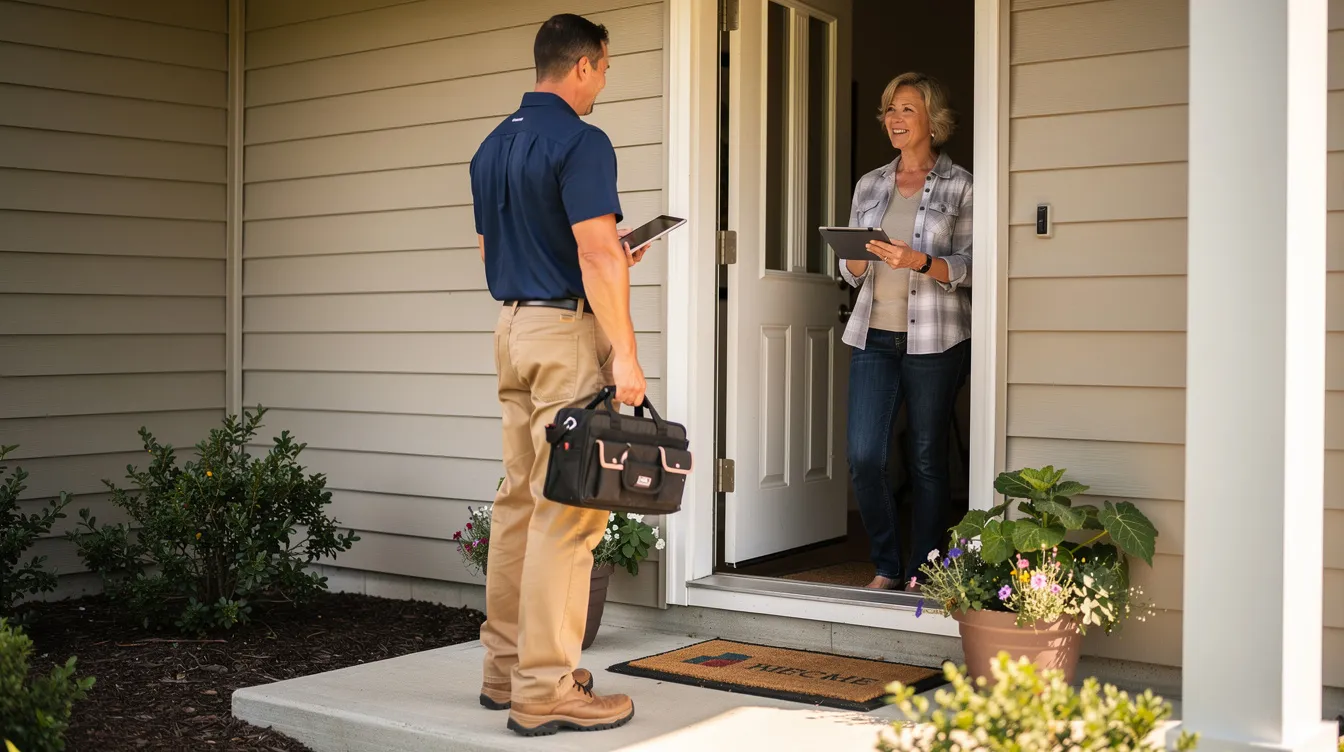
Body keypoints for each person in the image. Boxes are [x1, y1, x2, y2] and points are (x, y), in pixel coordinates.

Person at [469, 13, 649, 736]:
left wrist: (599, 255)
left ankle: (505, 669)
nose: (604, 79)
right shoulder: (583, 140)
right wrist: (626, 353)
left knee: (518, 500)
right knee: (569, 514)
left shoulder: (492, 145)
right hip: (565, 335)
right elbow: (598, 256)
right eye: (604, 68)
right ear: (580, 66)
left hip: (511, 328)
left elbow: (493, 249)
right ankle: (546, 690)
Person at [839, 72, 972, 593]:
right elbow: (852, 272)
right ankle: (887, 564)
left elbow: (971, 266)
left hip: (936, 339)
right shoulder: (870, 184)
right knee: (863, 454)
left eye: (907, 110)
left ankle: (925, 568)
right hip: (874, 333)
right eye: (890, 110)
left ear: (932, 121)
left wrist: (921, 261)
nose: (894, 119)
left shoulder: (961, 184)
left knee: (925, 457)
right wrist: (851, 260)